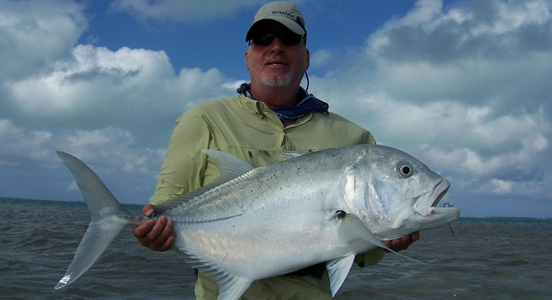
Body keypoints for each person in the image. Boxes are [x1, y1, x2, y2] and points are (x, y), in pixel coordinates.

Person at [134, 2, 419, 299]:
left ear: (306, 57)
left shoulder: (355, 139)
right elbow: (164, 209)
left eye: (290, 39)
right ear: (247, 57)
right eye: (263, 39)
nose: (276, 47)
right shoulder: (203, 120)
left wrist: (387, 239)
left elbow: (362, 254)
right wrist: (154, 231)